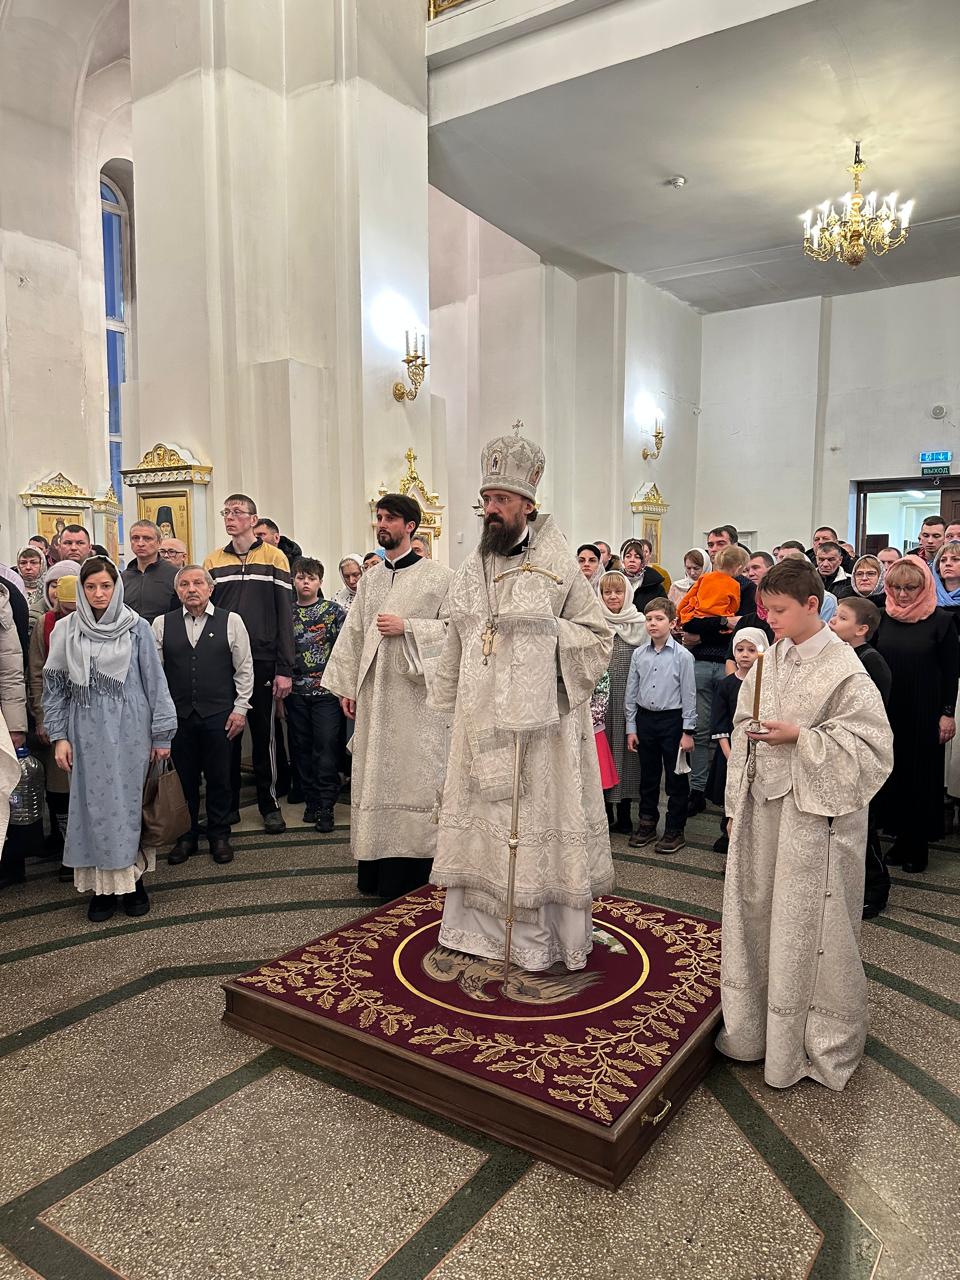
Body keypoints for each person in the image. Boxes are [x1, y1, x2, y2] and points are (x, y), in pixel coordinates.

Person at [427, 428, 613, 970]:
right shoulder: (473, 566)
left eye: (501, 499)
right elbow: (456, 634)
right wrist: (449, 699)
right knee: (481, 825)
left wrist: (542, 633)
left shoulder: (558, 564)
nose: (491, 509)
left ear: (527, 505)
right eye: (486, 498)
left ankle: (542, 939)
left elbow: (598, 638)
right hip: (479, 721)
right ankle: (474, 932)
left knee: (535, 830)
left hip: (542, 732)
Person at [717, 557, 892, 1091]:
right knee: (759, 912)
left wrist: (801, 737)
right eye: (765, 609)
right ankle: (754, 1030)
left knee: (806, 922)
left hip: (813, 822)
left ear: (812, 605)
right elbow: (742, 722)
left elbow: (872, 748)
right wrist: (737, 797)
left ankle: (809, 1041)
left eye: (778, 610)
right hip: (763, 811)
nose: (768, 619)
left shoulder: (846, 670)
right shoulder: (768, 661)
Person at [322, 493, 451, 897]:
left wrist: (409, 627)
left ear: (410, 526)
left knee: (417, 777)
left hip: (419, 702)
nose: (382, 524)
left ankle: (420, 870)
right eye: (379, 517)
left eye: (390, 518)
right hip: (376, 696)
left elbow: (456, 632)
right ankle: (376, 871)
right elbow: (355, 633)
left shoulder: (440, 577)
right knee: (376, 776)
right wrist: (348, 687)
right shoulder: (372, 579)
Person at [42, 557, 177, 922]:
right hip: (85, 733)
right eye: (91, 587)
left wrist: (162, 735)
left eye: (105, 586)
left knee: (129, 805)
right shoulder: (66, 630)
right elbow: (55, 690)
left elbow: (155, 683)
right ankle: (101, 890)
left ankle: (133, 884)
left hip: (131, 730)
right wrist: (60, 737)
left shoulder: (137, 628)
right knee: (91, 808)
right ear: (81, 590)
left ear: (117, 587)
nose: (99, 594)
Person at [204, 494, 295, 833]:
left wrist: (285, 668)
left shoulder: (274, 557)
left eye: (237, 512)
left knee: (263, 735)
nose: (230, 517)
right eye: (226, 512)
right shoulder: (214, 560)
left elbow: (285, 616)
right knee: (225, 733)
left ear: (253, 520)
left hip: (263, 659)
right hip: (223, 661)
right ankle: (227, 806)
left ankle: (269, 804)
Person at [153, 566, 254, 867]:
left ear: (210, 588)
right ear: (177, 591)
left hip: (219, 714)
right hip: (179, 716)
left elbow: (244, 668)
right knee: (183, 780)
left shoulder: (231, 621)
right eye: (184, 584)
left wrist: (240, 709)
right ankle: (186, 836)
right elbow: (155, 674)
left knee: (220, 777)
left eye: (198, 583)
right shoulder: (161, 624)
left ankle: (219, 835)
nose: (191, 589)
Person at [873, 556, 959, 873]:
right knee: (894, 774)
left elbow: (951, 672)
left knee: (920, 776)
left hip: (925, 711)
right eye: (896, 588)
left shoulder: (942, 621)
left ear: (924, 587)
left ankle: (918, 844)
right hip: (889, 710)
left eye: (910, 588)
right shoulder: (882, 618)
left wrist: (947, 713)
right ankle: (899, 838)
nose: (903, 594)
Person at [829, 596, 893, 918]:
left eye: (841, 618)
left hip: (860, 754)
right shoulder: (842, 655)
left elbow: (870, 715)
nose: (832, 621)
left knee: (863, 828)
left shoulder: (871, 662)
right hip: (841, 750)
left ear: (861, 629)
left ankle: (877, 888)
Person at [625, 597, 696, 855]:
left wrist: (688, 731)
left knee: (676, 778)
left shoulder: (683, 656)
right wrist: (631, 727)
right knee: (648, 776)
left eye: (659, 619)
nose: (653, 623)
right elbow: (631, 692)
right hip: (646, 720)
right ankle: (647, 823)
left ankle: (675, 829)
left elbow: (689, 694)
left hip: (673, 721)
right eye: (649, 619)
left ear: (673, 623)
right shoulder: (639, 654)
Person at [27, 563, 80, 874]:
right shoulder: (45, 624)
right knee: (60, 787)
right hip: (56, 716)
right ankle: (65, 846)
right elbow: (36, 674)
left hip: (90, 717)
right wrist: (42, 717)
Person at [287, 557, 346, 833]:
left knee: (325, 748)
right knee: (302, 748)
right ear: (293, 581)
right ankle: (311, 801)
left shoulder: (333, 611)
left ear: (320, 581)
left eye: (311, 578)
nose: (305, 583)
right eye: (301, 577)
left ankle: (325, 805)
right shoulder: (286, 613)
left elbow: (345, 650)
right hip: (295, 692)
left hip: (327, 692)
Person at [707, 628, 766, 856]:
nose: (745, 654)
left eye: (751, 650)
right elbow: (720, 722)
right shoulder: (726, 684)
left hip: (758, 749)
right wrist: (730, 754)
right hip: (731, 750)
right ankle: (727, 832)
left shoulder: (766, 684)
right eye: (740, 649)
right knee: (730, 792)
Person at [597, 570, 645, 833]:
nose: (613, 596)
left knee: (628, 757)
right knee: (602, 756)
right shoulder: (594, 622)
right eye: (607, 592)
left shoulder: (640, 625)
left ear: (628, 593)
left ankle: (625, 813)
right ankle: (604, 812)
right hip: (600, 707)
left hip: (630, 705)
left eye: (618, 591)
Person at [121, 520, 179, 622]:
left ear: (159, 542)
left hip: (164, 629)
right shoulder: (123, 577)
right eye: (135, 538)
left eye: (147, 538)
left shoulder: (175, 574)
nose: (140, 543)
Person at [620, 539, 665, 611]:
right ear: (622, 559)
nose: (632, 560)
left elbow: (664, 611)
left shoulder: (655, 585)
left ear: (642, 561)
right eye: (628, 556)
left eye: (637, 557)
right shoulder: (614, 581)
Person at [16, 546, 47, 636]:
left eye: (34, 562)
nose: (28, 567)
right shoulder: (13, 587)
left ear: (42, 564)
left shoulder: (49, 588)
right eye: (23, 563)